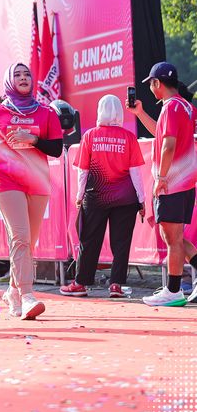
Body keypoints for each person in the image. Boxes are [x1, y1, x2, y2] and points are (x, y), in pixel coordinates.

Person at [0, 62, 63, 320]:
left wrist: (34, 139)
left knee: (28, 243)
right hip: (6, 181)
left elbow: (57, 149)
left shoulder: (46, 113)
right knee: (20, 237)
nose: (23, 78)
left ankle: (12, 290)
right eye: (17, 75)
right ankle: (27, 295)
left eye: (27, 74)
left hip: (38, 182)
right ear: (9, 81)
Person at [60, 95, 145, 298]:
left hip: (95, 196)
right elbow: (136, 173)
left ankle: (80, 283)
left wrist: (79, 195)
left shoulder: (90, 136)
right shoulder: (129, 137)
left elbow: (83, 171)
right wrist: (141, 200)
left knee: (89, 240)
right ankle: (116, 285)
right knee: (121, 242)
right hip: (126, 198)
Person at [126, 62, 197, 306]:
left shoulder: (170, 107)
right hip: (184, 183)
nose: (151, 88)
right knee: (176, 238)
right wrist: (140, 113)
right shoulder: (185, 106)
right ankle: (173, 290)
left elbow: (168, 145)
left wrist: (161, 178)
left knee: (172, 240)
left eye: (151, 83)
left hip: (172, 183)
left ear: (157, 83)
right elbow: (161, 134)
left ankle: (173, 291)